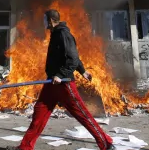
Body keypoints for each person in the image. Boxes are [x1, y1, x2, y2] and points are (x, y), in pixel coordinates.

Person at [7, 9, 114, 150]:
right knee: (39, 113)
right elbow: (69, 57)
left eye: (45, 19)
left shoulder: (63, 34)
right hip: (52, 84)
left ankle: (105, 143)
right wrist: (83, 71)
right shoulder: (55, 34)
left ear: (51, 20)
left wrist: (62, 74)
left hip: (64, 84)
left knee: (82, 114)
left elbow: (72, 58)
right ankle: (25, 147)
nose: (43, 22)